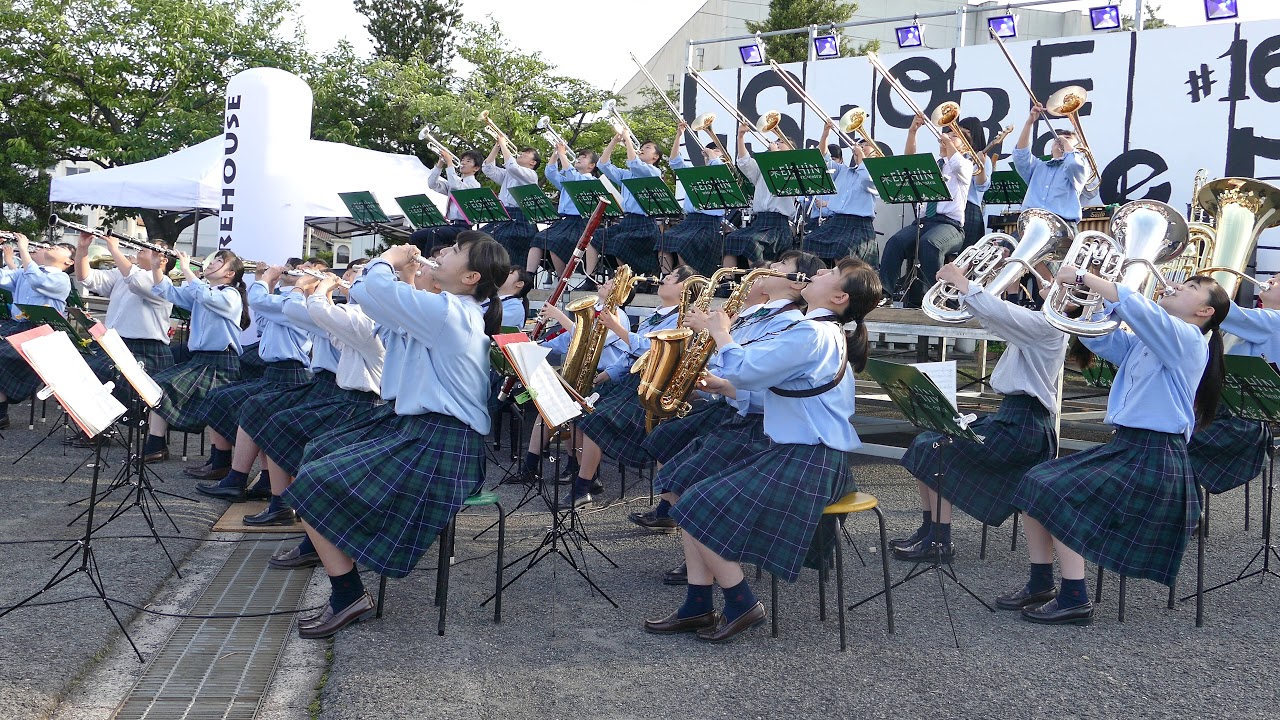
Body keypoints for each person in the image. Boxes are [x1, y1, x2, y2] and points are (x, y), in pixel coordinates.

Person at [283, 236, 509, 639]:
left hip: (443, 443)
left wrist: (390, 257)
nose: (443, 253)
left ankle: (348, 594)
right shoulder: (446, 309)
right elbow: (379, 307)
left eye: (455, 251)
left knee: (313, 481)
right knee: (319, 452)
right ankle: (333, 547)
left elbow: (372, 289)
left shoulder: (451, 312)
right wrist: (408, 275)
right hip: (425, 433)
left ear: (471, 277)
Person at [643, 257, 880, 642]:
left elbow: (746, 368)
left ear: (839, 296)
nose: (819, 272)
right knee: (692, 496)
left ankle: (741, 603)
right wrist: (725, 387)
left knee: (694, 505)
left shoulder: (813, 333)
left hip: (809, 457)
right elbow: (783, 390)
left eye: (831, 273)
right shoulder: (819, 330)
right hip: (805, 453)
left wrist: (721, 333)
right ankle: (698, 605)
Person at [1006, 270, 1229, 625]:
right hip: (1129, 447)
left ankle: (1075, 598)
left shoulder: (1188, 338)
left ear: (1205, 312)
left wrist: (1087, 277)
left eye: (1190, 287)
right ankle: (1040, 582)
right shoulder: (1150, 340)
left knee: (1057, 492)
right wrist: (1081, 302)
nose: (1175, 286)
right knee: (1034, 480)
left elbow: (1140, 310)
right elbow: (1100, 339)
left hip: (1157, 456)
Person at [632, 253, 824, 590]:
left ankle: (710, 547)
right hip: (738, 411)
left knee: (684, 480)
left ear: (797, 283)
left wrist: (718, 345)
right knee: (668, 452)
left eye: (779, 267)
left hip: (759, 425)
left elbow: (757, 382)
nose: (767, 269)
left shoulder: (790, 325)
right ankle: (701, 548)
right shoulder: (764, 317)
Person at [893, 260, 1066, 562]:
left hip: (1023, 428)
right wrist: (978, 285)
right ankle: (929, 528)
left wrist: (961, 281)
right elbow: (995, 319)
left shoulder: (1047, 327)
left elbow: (998, 312)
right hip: (1015, 419)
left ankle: (940, 540)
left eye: (1061, 287)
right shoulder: (1040, 323)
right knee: (926, 442)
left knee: (937, 450)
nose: (1050, 284)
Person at [247, 263, 385, 528]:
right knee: (276, 422)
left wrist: (305, 287)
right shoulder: (357, 314)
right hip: (351, 397)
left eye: (356, 274)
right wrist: (322, 292)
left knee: (288, 432)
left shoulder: (364, 318)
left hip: (362, 403)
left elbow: (300, 311)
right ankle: (282, 502)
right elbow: (323, 317)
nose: (346, 276)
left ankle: (289, 507)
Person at [560, 266, 696, 508]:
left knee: (596, 418)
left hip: (651, 386)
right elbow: (630, 356)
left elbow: (653, 350)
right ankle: (588, 476)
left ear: (685, 289)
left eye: (672, 277)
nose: (664, 278)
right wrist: (606, 375)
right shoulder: (655, 315)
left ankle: (582, 488)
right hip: (630, 380)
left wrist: (617, 328)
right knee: (579, 410)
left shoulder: (683, 317)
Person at [187, 261, 314, 490]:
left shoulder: (299, 304)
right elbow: (262, 321)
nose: (298, 269)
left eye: (306, 269)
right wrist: (269, 283)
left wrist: (265, 280)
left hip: (291, 373)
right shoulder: (286, 301)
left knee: (254, 410)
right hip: (276, 372)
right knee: (225, 399)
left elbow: (258, 300)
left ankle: (237, 477)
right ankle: (255, 476)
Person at [141, 250, 249, 462]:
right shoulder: (203, 291)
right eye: (213, 259)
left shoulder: (231, 295)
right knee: (158, 386)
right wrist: (156, 267)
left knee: (215, 408)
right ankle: (156, 444)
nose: (211, 263)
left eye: (219, 261)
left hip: (221, 360)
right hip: (201, 359)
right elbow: (168, 292)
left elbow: (205, 295)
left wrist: (185, 268)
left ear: (230, 274)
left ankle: (218, 460)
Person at [1185, 277, 1278, 503]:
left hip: (1243, 422)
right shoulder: (1255, 321)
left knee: (1171, 440)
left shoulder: (1274, 321)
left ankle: (1182, 506)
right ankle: (1182, 503)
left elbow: (1226, 312)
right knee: (1169, 438)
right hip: (1222, 412)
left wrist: (1190, 294)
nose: (1270, 280)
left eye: (1278, 279)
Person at [878, 115, 974, 307]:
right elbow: (909, 161)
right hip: (923, 222)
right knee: (895, 242)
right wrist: (912, 132)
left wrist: (948, 143)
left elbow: (956, 163)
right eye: (947, 135)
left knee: (930, 244)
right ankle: (884, 293)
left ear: (964, 147)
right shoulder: (933, 165)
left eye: (954, 136)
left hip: (950, 225)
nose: (947, 137)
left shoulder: (965, 164)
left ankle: (939, 297)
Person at [0, 234, 75, 428]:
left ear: (69, 262)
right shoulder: (26, 272)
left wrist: (23, 249)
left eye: (61, 247)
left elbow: (38, 282)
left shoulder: (61, 279)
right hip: (19, 327)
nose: (53, 246)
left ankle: (1, 413)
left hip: (42, 334)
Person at [724, 123, 797, 268]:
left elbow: (781, 181)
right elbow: (745, 162)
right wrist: (740, 137)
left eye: (782, 142)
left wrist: (776, 154)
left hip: (779, 225)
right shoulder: (762, 167)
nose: (777, 143)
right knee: (731, 238)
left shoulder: (792, 169)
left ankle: (756, 278)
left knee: (752, 242)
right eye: (777, 140)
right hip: (760, 221)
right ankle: (727, 279)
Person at [806, 122, 879, 267]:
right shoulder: (843, 170)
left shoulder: (875, 174)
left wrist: (862, 158)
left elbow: (868, 182)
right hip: (837, 221)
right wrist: (825, 134)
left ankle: (838, 278)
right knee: (808, 241)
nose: (861, 146)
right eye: (861, 144)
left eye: (866, 145)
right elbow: (824, 159)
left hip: (859, 224)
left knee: (843, 248)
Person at [593, 132, 664, 276]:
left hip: (645, 223)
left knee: (619, 243)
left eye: (648, 148)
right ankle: (591, 277)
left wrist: (627, 139)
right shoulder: (626, 174)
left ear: (655, 157)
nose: (642, 149)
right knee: (594, 237)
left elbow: (634, 164)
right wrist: (614, 141)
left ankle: (625, 281)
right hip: (627, 221)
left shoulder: (654, 171)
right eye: (642, 147)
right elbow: (603, 165)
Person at [663, 124, 728, 276]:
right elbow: (675, 162)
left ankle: (685, 278)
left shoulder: (724, 172)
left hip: (709, 223)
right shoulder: (694, 172)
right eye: (710, 151)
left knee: (683, 243)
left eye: (717, 150)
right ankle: (666, 277)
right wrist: (679, 135)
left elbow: (717, 168)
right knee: (665, 239)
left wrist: (712, 155)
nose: (711, 153)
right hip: (691, 219)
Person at [1012, 105, 1088, 234]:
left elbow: (1073, 164)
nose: (1060, 139)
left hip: (1062, 226)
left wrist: (1066, 144)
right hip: (1031, 224)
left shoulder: (1081, 164)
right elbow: (1020, 156)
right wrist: (1029, 122)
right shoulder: (1038, 166)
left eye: (1068, 138)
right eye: (1057, 139)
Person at [532, 144, 599, 279]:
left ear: (591, 166)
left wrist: (562, 154)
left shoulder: (589, 180)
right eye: (579, 156)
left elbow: (572, 175)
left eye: (584, 157)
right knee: (538, 239)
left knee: (555, 242)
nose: (579, 158)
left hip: (581, 222)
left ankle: (562, 279)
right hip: (565, 221)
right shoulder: (569, 178)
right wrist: (556, 153)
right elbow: (550, 173)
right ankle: (529, 275)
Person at [482, 140, 541, 270]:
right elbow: (487, 169)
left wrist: (504, 144)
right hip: (504, 215)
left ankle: (504, 271)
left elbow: (512, 167)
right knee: (480, 236)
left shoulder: (531, 175)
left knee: (501, 240)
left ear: (533, 162)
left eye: (526, 153)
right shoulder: (508, 174)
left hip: (520, 218)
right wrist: (497, 146)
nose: (521, 154)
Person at [427, 149, 484, 246]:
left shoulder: (474, 185)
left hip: (463, 227)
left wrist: (450, 163)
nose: (463, 163)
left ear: (476, 168)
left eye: (468, 161)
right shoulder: (456, 181)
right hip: (451, 224)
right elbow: (432, 184)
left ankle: (433, 256)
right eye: (463, 160)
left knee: (436, 233)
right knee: (417, 236)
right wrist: (440, 164)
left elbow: (455, 187)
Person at [957, 117, 992, 249]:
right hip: (952, 207)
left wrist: (981, 164)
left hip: (969, 208)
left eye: (966, 132)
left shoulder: (983, 158)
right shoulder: (953, 157)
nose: (961, 136)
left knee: (965, 252)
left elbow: (981, 186)